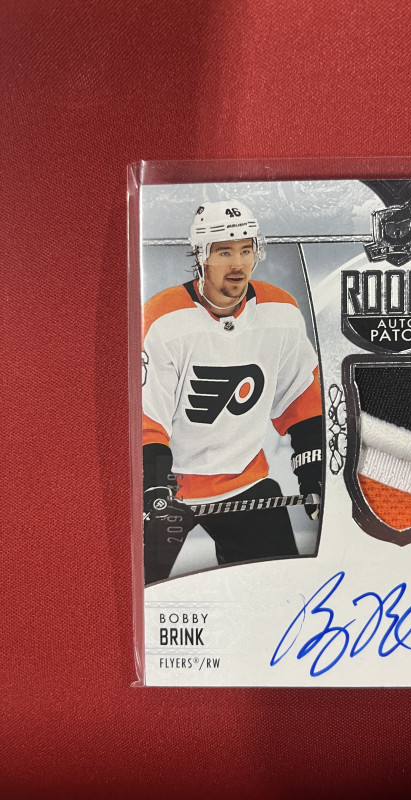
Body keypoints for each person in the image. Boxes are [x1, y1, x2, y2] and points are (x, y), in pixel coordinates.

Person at [142, 200, 323, 584]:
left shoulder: (280, 311)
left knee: (276, 592)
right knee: (135, 592)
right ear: (201, 256)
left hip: (246, 483)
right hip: (170, 491)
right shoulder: (163, 319)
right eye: (224, 252)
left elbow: (300, 398)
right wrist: (152, 483)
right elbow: (147, 416)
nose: (238, 264)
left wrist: (313, 472)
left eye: (245, 250)